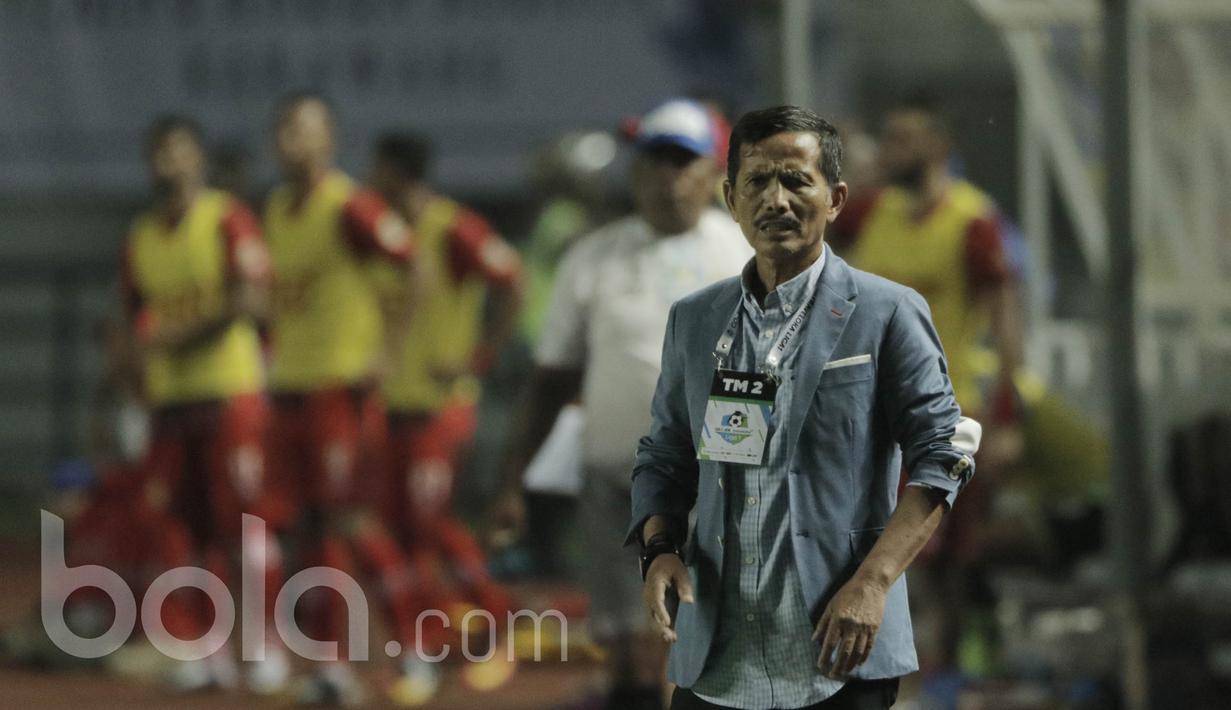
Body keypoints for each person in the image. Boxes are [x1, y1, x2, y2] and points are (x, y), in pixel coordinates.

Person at [631, 106, 981, 710]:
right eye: (757, 182)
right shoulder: (695, 321)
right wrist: (660, 550)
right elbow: (664, 454)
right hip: (717, 661)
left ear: (836, 197)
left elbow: (942, 455)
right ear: (731, 199)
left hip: (836, 651)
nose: (777, 199)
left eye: (796, 180)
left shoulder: (886, 312)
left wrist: (871, 584)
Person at [496, 98, 752, 710]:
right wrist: (514, 483)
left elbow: (768, 373)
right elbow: (553, 379)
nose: (665, 175)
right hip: (614, 474)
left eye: (680, 160)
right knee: (622, 626)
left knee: (688, 626)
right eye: (652, 160)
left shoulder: (743, 256)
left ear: (714, 174)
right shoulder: (593, 257)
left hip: (713, 477)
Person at [828, 93, 1023, 669]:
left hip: (947, 409)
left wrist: (1006, 416)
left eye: (904, 139)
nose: (890, 150)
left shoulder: (971, 220)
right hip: (869, 413)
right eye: (886, 138)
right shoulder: (870, 212)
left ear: (939, 146)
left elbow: (1007, 318)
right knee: (880, 544)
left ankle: (948, 668)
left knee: (951, 554)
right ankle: (891, 667)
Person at [261, 94, 421, 706]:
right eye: (285, 129)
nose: (292, 141)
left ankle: (412, 647)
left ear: (330, 140)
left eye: (305, 129)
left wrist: (388, 352)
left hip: (340, 389)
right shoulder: (276, 208)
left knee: (348, 521)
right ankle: (331, 663)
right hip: (291, 388)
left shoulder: (349, 204)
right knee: (304, 525)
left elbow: (412, 266)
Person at [119, 115, 284, 692]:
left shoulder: (227, 219)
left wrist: (173, 336)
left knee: (243, 524)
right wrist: (129, 386)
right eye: (159, 152)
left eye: (179, 151)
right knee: (173, 527)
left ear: (198, 160)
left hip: (229, 391)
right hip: (169, 400)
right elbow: (133, 320)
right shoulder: (140, 235)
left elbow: (248, 299)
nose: (169, 163)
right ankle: (197, 646)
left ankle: (264, 645)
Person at [367, 131, 524, 704]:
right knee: (400, 529)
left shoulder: (451, 228)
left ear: (396, 173)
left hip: (441, 404)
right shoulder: (384, 238)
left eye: (376, 170)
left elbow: (513, 282)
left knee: (428, 522)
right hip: (391, 404)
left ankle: (498, 629)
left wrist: (477, 355)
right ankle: (422, 651)